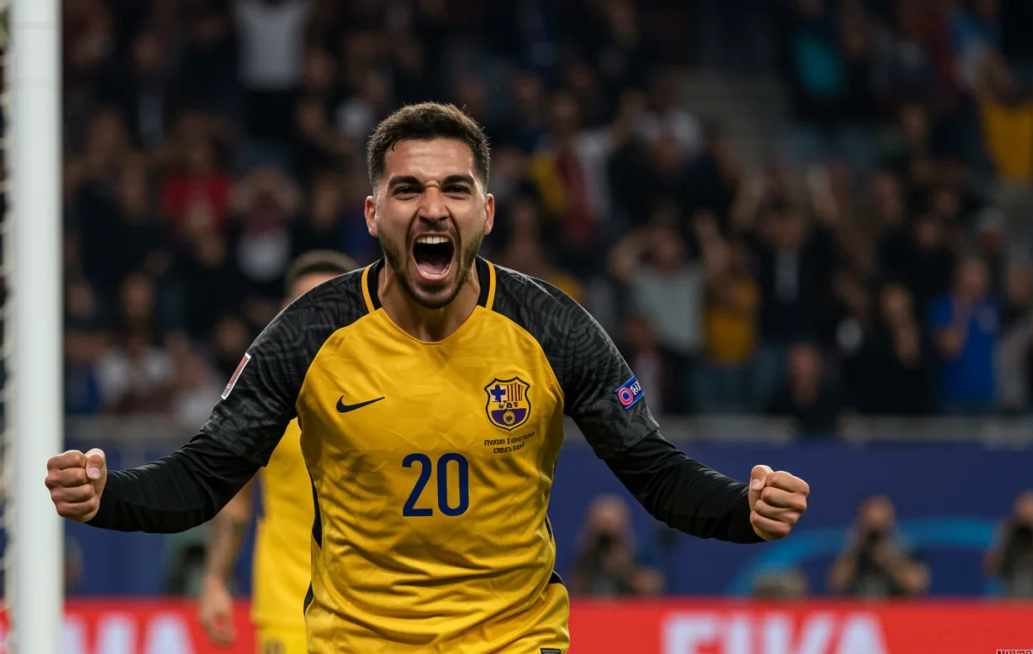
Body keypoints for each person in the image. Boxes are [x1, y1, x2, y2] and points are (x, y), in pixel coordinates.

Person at [46, 103, 811, 652]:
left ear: (487, 211)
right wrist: (109, 495)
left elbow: (654, 472)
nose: (432, 207)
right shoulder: (310, 333)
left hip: (513, 641)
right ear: (373, 213)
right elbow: (203, 478)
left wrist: (740, 509)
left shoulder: (553, 329)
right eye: (408, 189)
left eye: (454, 188)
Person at [197, 251, 357, 653]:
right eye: (307, 304)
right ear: (286, 312)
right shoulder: (261, 397)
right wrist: (215, 580)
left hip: (377, 611)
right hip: (289, 609)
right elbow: (234, 501)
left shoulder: (395, 391)